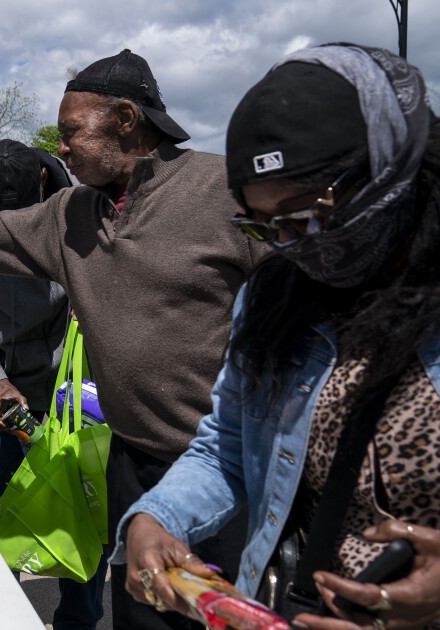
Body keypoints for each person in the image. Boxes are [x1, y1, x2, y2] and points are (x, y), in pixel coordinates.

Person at [0, 49, 265, 630]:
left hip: (225, 468)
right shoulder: (69, 215)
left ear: (124, 118)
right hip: (130, 458)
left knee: (217, 618)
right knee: (144, 615)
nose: (61, 147)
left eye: (71, 131)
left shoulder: (224, 192)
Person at [120, 44, 440, 630]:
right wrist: (157, 516)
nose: (295, 244)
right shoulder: (274, 301)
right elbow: (227, 448)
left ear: (390, 161)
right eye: (266, 225)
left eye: (311, 210)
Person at [0, 140, 101, 629]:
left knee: (81, 512)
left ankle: (78, 620)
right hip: (3, 395)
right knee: (1, 512)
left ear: (41, 182)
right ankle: (3, 617)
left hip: (72, 392)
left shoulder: (84, 213)